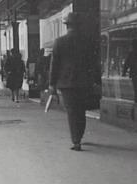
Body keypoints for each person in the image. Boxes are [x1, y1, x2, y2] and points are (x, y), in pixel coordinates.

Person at [49, 12, 101, 151]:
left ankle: (76, 140)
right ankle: (80, 135)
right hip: (84, 82)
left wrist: (51, 84)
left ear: (67, 26)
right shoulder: (87, 41)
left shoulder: (59, 42)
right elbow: (94, 63)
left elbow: (54, 65)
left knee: (72, 111)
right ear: (79, 26)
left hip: (67, 84)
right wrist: (96, 80)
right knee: (81, 110)